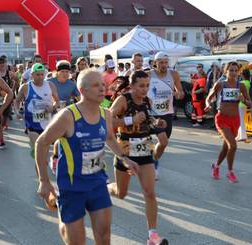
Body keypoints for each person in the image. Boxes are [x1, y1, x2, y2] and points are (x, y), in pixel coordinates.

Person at [35, 69, 139, 245]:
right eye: (96, 85)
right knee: (77, 241)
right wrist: (43, 180)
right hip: (72, 187)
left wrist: (124, 158)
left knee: (104, 236)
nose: (101, 88)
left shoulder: (105, 114)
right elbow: (41, 143)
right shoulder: (68, 116)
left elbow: (109, 138)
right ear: (82, 91)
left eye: (103, 85)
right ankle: (61, 215)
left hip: (97, 183)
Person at [107, 70, 168, 245]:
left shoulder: (146, 101)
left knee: (149, 192)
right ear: (132, 85)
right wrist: (129, 120)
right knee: (121, 193)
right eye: (141, 86)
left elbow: (146, 119)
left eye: (147, 86)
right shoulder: (123, 100)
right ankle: (108, 187)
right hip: (125, 150)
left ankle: (153, 235)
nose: (144, 89)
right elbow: (108, 121)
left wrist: (156, 123)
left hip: (143, 150)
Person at [205, 61, 251, 183]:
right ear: (226, 71)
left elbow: (250, 103)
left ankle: (216, 166)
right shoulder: (220, 84)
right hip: (222, 119)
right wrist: (208, 105)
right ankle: (230, 172)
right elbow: (209, 98)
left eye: (236, 70)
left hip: (235, 120)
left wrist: (244, 100)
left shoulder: (241, 86)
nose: (233, 73)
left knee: (226, 148)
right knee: (233, 145)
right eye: (231, 70)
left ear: (239, 72)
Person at [147, 52, 184, 179]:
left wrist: (179, 94)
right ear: (155, 63)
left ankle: (153, 161)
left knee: (163, 143)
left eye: (165, 62)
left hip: (167, 113)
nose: (163, 65)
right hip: (151, 113)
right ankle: (151, 166)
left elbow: (180, 91)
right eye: (161, 62)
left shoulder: (173, 74)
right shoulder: (149, 75)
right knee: (158, 139)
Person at [15, 63, 59, 166]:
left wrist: (52, 107)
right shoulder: (26, 87)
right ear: (32, 75)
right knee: (39, 148)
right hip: (31, 123)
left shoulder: (50, 85)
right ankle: (41, 172)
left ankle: (42, 163)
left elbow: (57, 102)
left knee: (44, 151)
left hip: (47, 123)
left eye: (42, 74)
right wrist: (17, 112)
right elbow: (16, 101)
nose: (40, 77)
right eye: (37, 74)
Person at [48, 60, 81, 174]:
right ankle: (55, 158)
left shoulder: (72, 84)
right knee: (58, 138)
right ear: (57, 72)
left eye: (67, 71)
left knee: (62, 137)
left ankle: (57, 158)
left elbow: (79, 98)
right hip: (51, 113)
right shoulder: (49, 82)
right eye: (62, 71)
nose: (65, 74)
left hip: (66, 114)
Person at [0, 56, 18, 148]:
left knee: (5, 119)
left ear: (5, 64)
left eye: (3, 63)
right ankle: (1, 140)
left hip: (7, 99)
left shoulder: (10, 73)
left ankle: (1, 127)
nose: (1, 65)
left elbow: (17, 80)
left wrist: (12, 90)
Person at [237, 69, 251, 142]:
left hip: (241, 103)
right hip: (247, 102)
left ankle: (242, 136)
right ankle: (240, 135)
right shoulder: (249, 82)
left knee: (241, 120)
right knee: (241, 120)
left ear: (242, 75)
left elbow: (238, 93)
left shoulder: (241, 83)